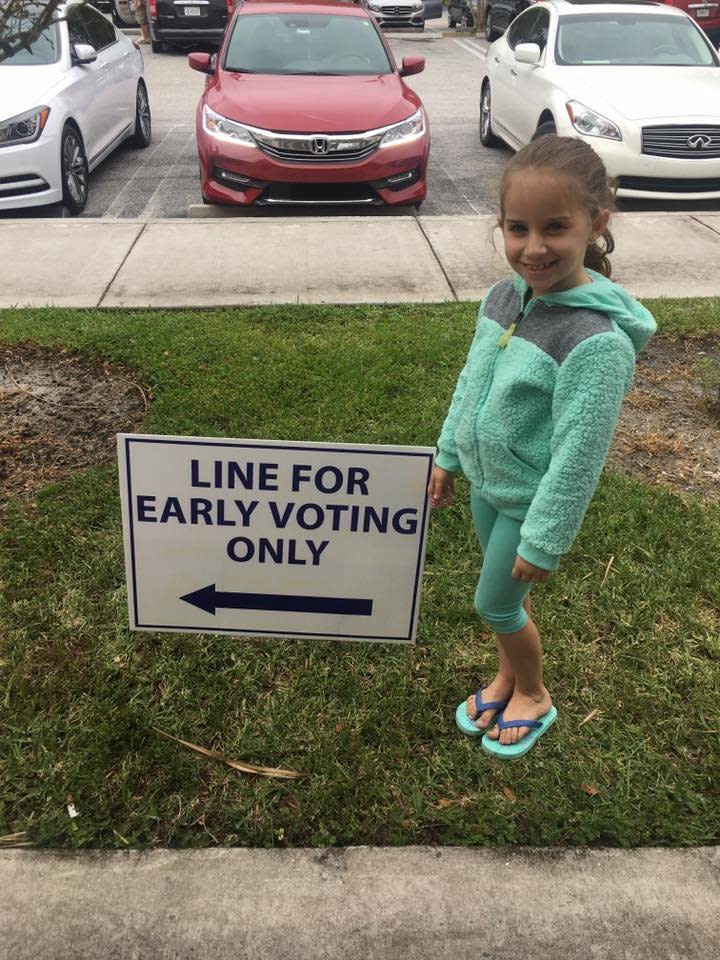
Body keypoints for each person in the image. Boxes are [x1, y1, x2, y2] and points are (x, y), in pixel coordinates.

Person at [427, 135, 657, 760]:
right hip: (488, 482)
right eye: (518, 227)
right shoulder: (504, 296)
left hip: (530, 500)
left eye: (555, 227)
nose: (533, 247)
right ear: (500, 226)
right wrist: (448, 454)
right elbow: (471, 379)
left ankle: (534, 692)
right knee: (506, 602)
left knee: (495, 603)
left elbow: (581, 452)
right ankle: (506, 676)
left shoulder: (596, 341)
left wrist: (546, 537)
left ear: (596, 224)